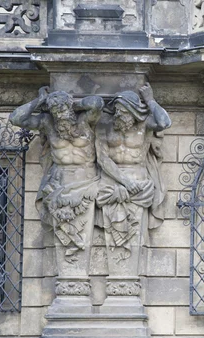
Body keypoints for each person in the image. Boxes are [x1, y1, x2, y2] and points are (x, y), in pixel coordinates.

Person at [9, 87, 104, 262]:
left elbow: (97, 103)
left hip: (86, 182)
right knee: (63, 229)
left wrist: (69, 103)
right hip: (59, 183)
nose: (59, 115)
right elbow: (16, 118)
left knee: (83, 230)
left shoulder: (84, 121)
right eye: (54, 111)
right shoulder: (48, 123)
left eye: (61, 110)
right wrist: (40, 101)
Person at [96, 83, 171, 261]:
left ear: (133, 111)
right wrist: (125, 182)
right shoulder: (106, 128)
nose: (119, 115)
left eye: (123, 111)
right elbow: (102, 159)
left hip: (140, 185)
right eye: (117, 111)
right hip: (113, 183)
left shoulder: (144, 126)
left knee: (136, 232)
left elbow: (164, 122)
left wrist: (150, 100)